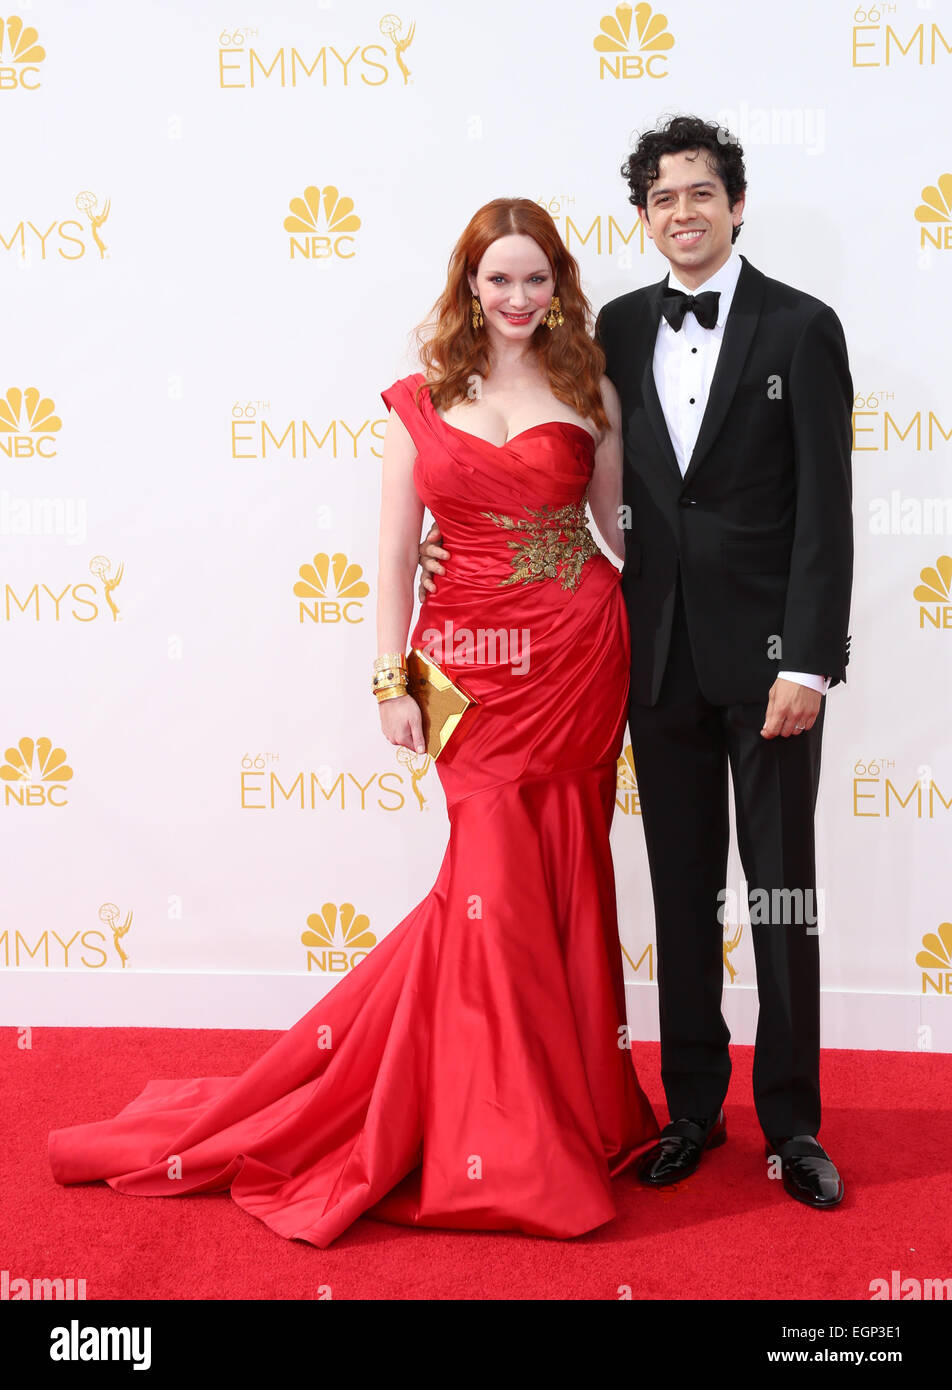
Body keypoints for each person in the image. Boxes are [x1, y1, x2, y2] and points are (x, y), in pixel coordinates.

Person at [48, 198, 657, 1247]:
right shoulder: (419, 401)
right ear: (469, 284)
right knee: (489, 888)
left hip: (577, 654)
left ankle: (569, 1108)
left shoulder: (586, 388)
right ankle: (499, 1135)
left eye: (536, 279)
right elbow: (391, 554)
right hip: (466, 672)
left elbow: (618, 534)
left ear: (559, 286)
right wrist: (388, 681)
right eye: (498, 278)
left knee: (568, 870)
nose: (517, 297)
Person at [419, 119, 853, 1209]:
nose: (683, 214)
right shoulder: (609, 328)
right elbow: (579, 490)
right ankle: (694, 1110)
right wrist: (463, 532)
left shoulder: (802, 329)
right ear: (645, 217)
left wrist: (807, 661)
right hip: (643, 660)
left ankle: (793, 1124)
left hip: (768, 671)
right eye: (663, 200)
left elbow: (827, 519)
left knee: (782, 893)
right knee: (679, 892)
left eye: (701, 194)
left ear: (736, 204)